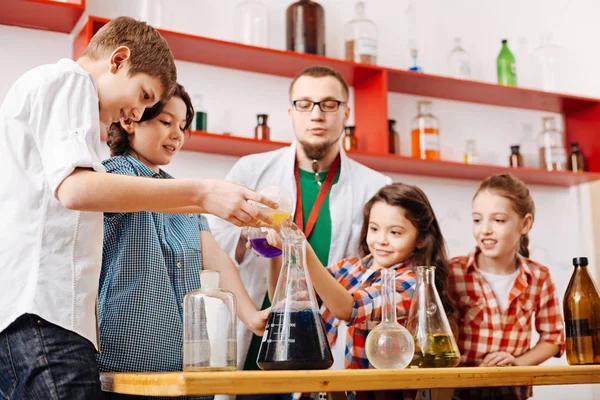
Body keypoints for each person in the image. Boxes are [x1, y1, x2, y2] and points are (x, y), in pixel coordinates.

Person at [0, 17, 274, 399]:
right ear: (118, 60)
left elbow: (211, 255)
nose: (134, 112)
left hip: (53, 319)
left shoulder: (79, 126)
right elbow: (76, 190)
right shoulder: (67, 81)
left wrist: (251, 314)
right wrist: (203, 192)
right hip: (47, 316)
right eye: (145, 97)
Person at [206, 65, 390, 395]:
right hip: (261, 334)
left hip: (328, 338)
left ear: (346, 112)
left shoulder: (375, 187)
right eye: (304, 104)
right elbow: (212, 244)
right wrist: (249, 236)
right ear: (290, 112)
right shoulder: (251, 169)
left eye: (329, 104)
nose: (316, 115)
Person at [96, 83, 271, 400]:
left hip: (185, 373)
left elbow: (214, 257)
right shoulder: (110, 177)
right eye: (166, 122)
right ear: (130, 120)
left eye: (183, 126)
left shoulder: (185, 195)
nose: (178, 134)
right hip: (126, 372)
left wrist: (251, 315)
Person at [266, 183, 453, 400]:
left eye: (395, 232)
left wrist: (302, 247)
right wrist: (276, 253)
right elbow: (285, 303)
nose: (381, 240)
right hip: (317, 391)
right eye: (374, 229)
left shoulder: (411, 283)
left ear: (420, 239)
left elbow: (348, 309)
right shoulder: (348, 268)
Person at [449, 174, 565, 400]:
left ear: (525, 224)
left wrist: (517, 364)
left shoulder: (539, 277)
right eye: (477, 220)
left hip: (512, 392)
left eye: (498, 220)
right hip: (459, 391)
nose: (485, 230)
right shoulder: (452, 273)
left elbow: (553, 338)